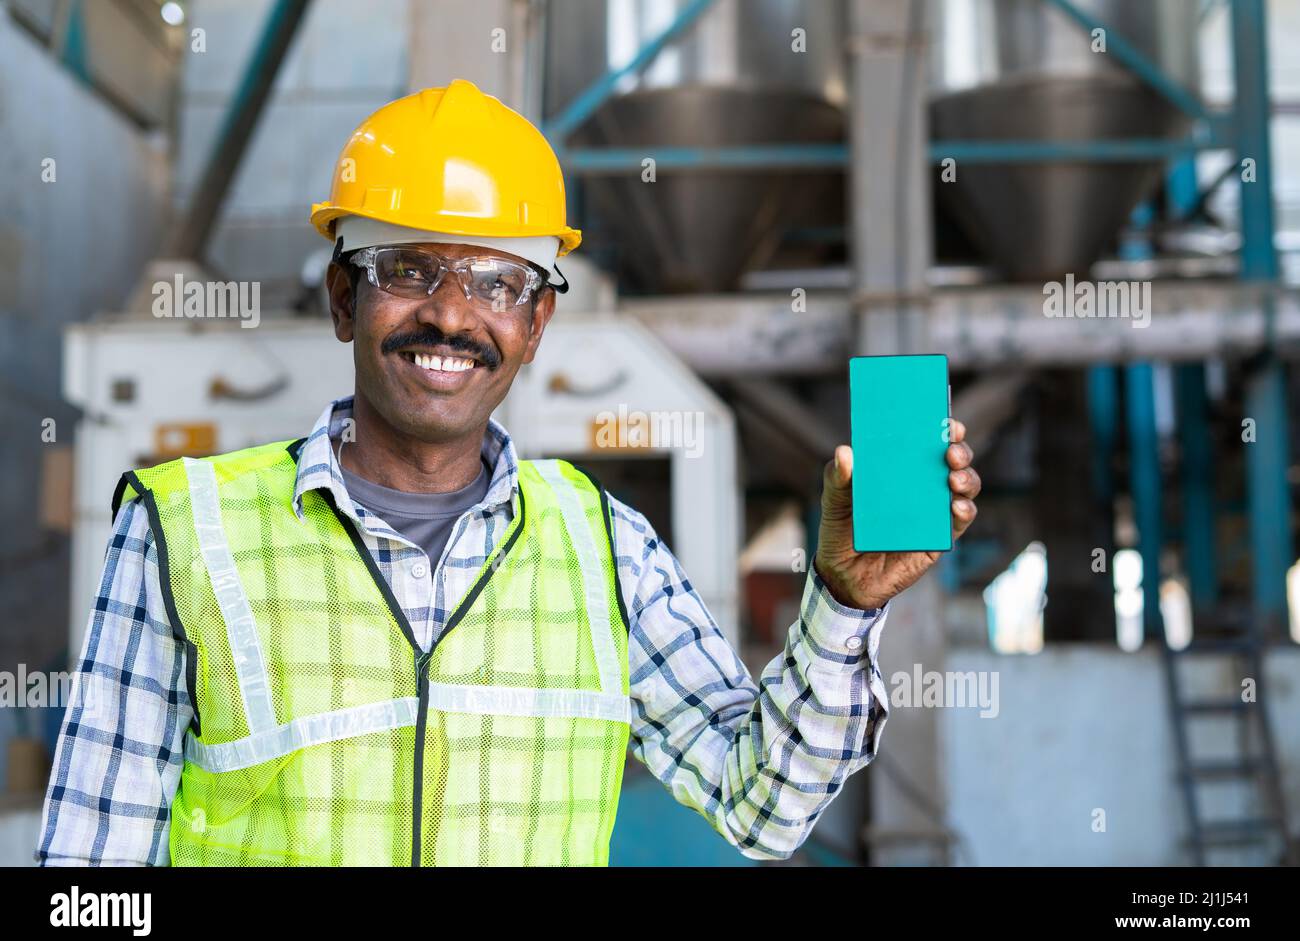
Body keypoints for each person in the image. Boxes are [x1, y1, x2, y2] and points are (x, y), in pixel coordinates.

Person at [36, 79, 981, 866]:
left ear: (535, 327)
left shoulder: (605, 550)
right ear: (342, 297)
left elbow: (762, 806)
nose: (451, 315)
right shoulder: (182, 532)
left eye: (498, 283)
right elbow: (88, 870)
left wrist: (843, 610)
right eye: (408, 268)